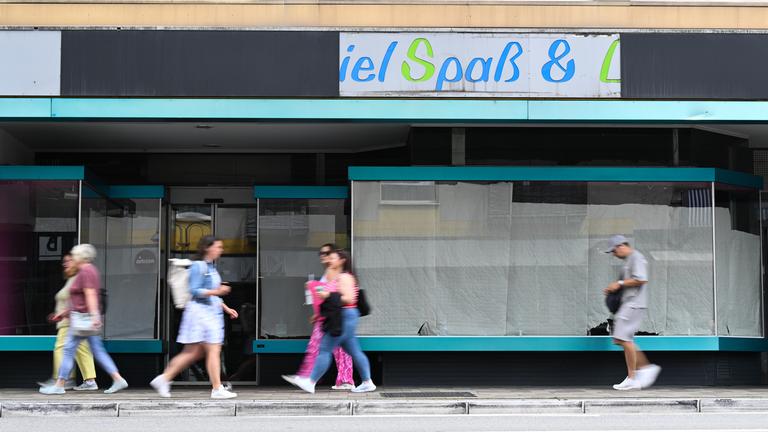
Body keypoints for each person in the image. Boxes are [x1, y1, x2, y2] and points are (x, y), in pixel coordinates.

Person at [150, 235, 238, 399]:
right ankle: (217, 388)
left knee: (193, 352)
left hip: (207, 313)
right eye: (218, 247)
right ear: (207, 248)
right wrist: (218, 291)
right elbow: (195, 290)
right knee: (212, 349)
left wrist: (226, 308)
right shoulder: (199, 266)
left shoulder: (210, 266)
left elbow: (210, 294)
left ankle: (164, 378)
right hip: (201, 315)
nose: (221, 250)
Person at [40, 244, 129, 395]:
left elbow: (90, 295)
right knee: (97, 351)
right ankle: (117, 378)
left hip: (82, 320)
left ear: (81, 257)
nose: (72, 258)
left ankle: (60, 384)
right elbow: (80, 299)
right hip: (83, 318)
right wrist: (64, 313)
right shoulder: (89, 270)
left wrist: (94, 316)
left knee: (68, 350)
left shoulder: (86, 271)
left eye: (74, 255)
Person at [284, 249, 376, 394]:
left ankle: (310, 381)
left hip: (345, 316)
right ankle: (367, 382)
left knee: (325, 349)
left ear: (341, 261)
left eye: (332, 258)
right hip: (347, 316)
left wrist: (328, 294)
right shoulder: (341, 277)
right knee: (355, 351)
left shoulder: (345, 277)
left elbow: (349, 298)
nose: (329, 260)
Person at [603, 235, 662, 390]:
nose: (614, 255)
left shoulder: (636, 257)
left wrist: (619, 283)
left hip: (634, 304)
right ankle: (644, 369)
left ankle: (634, 377)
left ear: (621, 245)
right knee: (621, 339)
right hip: (629, 304)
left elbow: (641, 279)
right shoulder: (629, 260)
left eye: (614, 251)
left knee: (623, 338)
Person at [38, 254, 98, 391]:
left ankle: (61, 380)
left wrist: (64, 313)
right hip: (72, 320)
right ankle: (89, 381)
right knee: (82, 350)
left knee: (61, 348)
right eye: (64, 261)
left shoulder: (77, 278)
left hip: (71, 321)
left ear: (77, 262)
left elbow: (79, 300)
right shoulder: (71, 279)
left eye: (69, 261)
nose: (65, 264)